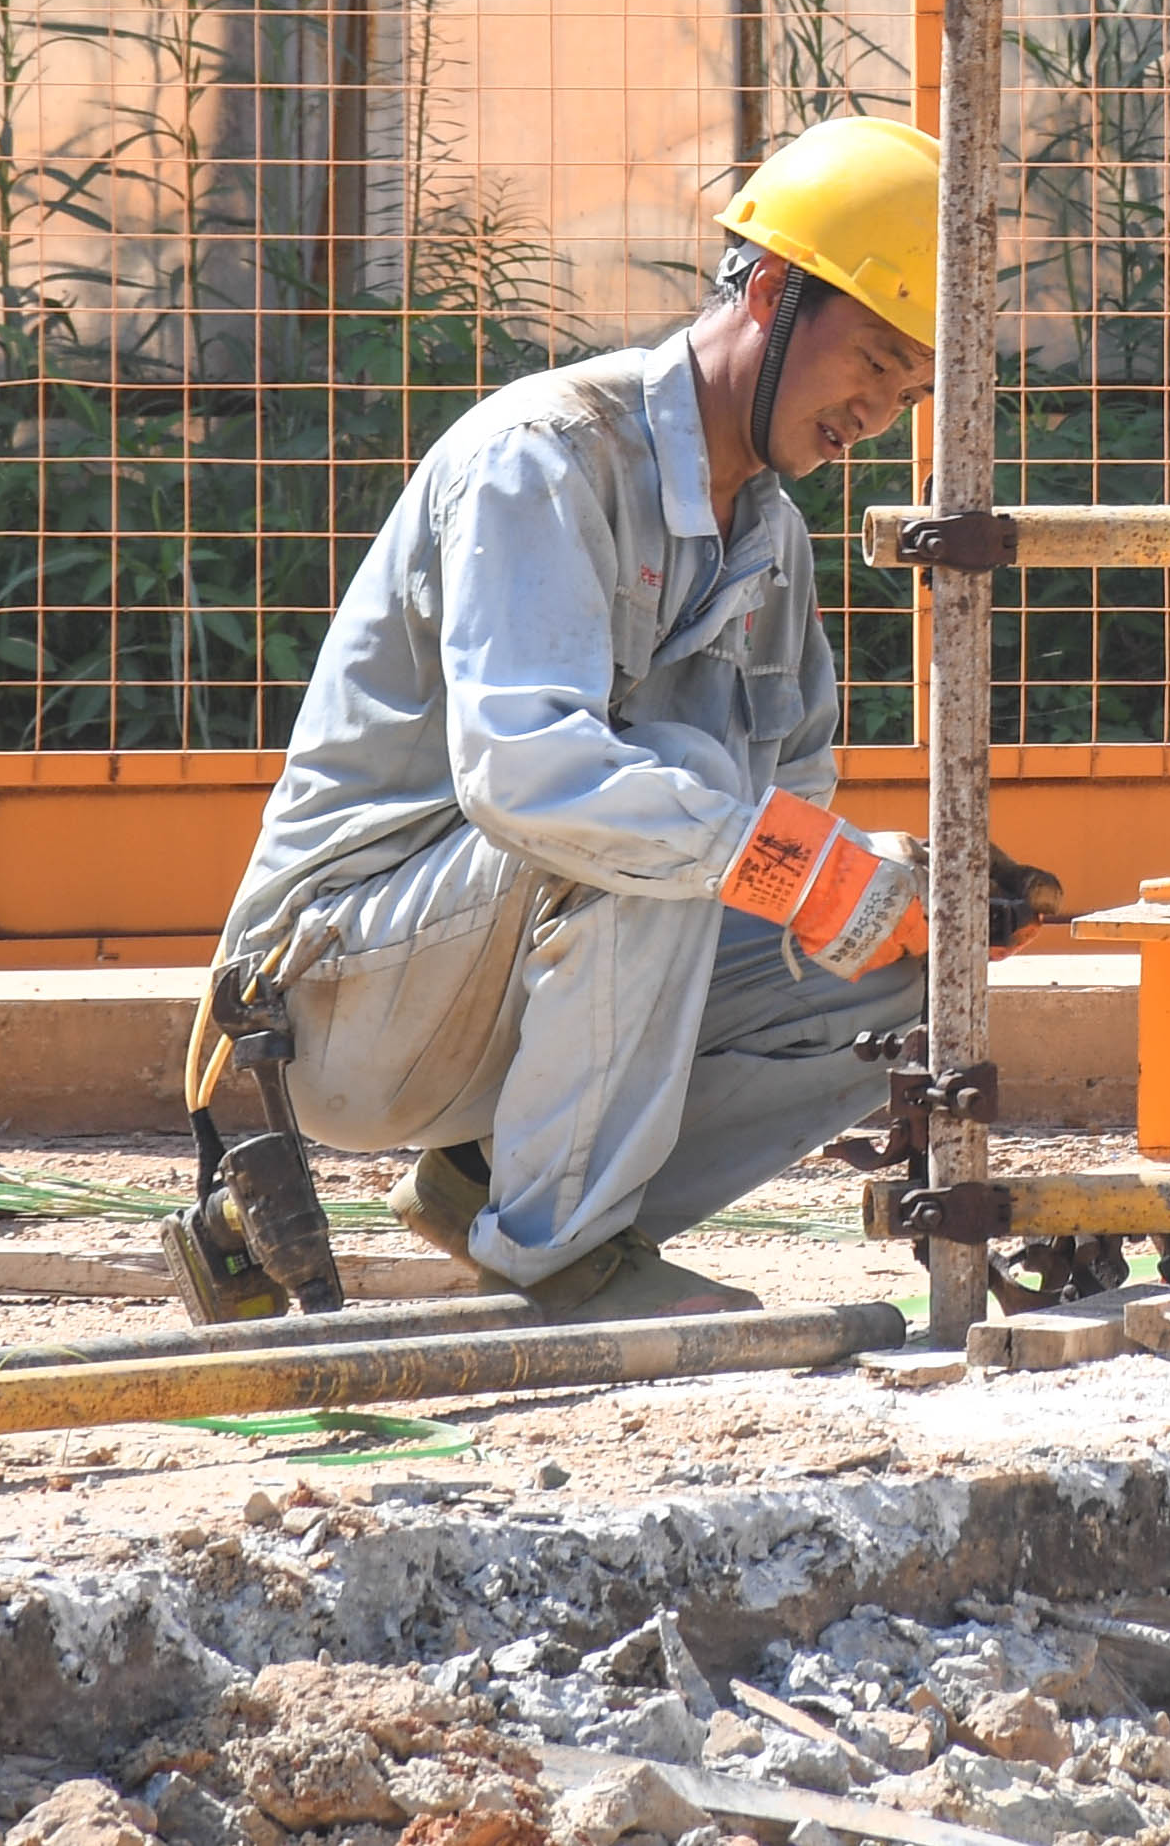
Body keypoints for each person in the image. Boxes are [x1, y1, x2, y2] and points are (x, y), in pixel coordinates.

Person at [200, 117, 962, 1322]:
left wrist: (895, 895)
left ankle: (497, 1189)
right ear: (769, 288)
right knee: (664, 802)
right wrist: (783, 860)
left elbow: (789, 821)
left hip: (517, 980)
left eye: (908, 385)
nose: (877, 407)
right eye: (871, 358)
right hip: (343, 1006)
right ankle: (561, 1258)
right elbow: (528, 778)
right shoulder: (542, 455)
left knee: (907, 957)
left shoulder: (773, 541)